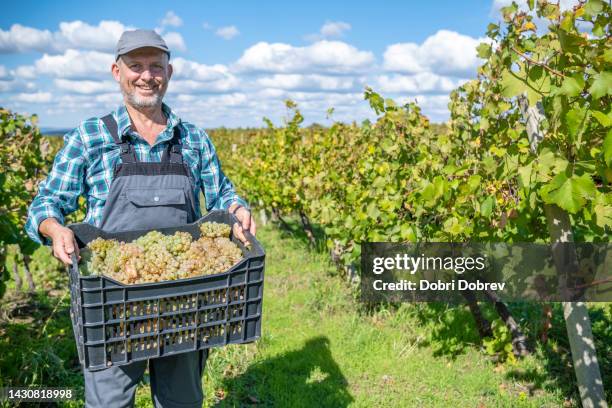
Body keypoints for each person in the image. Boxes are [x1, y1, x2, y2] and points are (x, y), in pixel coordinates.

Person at [25, 29, 256, 408]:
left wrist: (237, 209)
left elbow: (222, 195)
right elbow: (47, 202)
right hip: (111, 304)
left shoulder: (194, 139)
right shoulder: (90, 136)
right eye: (136, 66)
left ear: (170, 72)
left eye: (155, 66)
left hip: (186, 301)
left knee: (182, 400)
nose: (146, 76)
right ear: (117, 71)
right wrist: (55, 229)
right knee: (109, 403)